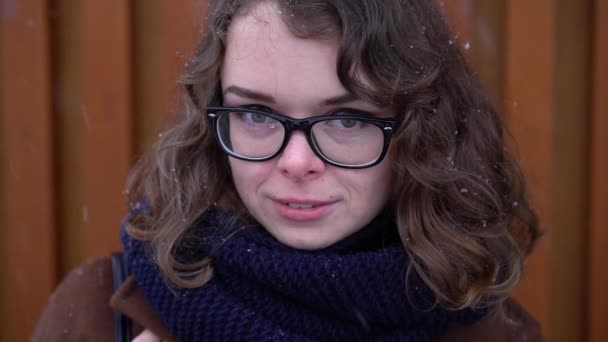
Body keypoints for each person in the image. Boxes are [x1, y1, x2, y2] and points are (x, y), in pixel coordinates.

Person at [32, 0, 543, 341]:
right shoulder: (100, 313)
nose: (297, 162)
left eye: (346, 118)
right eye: (256, 115)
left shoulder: (492, 329)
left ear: (419, 131)